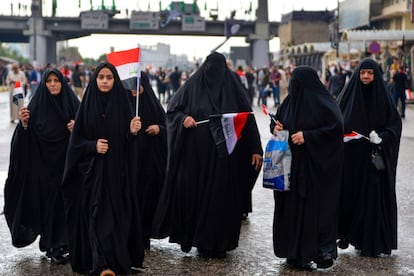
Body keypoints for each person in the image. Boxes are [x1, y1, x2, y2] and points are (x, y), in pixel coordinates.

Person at [152, 52, 263, 258]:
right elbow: (173, 112)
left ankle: (218, 243)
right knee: (194, 196)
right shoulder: (192, 87)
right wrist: (183, 119)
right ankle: (191, 236)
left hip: (227, 156)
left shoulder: (233, 90)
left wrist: (255, 148)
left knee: (222, 197)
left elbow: (247, 119)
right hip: (196, 157)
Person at [61, 62, 144, 275]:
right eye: (101, 77)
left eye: (109, 77)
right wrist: (92, 146)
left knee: (115, 218)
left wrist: (132, 131)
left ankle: (113, 262)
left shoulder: (123, 105)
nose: (105, 81)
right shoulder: (87, 106)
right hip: (92, 175)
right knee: (96, 216)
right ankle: (100, 263)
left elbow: (128, 143)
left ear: (115, 80)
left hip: (117, 174)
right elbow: (76, 143)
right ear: (95, 79)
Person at [3, 68, 80, 264]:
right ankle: (52, 245)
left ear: (63, 83)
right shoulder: (35, 108)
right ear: (44, 84)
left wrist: (76, 128)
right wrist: (25, 124)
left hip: (67, 168)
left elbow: (88, 130)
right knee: (49, 206)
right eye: (49, 81)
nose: (53, 84)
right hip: (44, 170)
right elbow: (24, 140)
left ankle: (66, 244)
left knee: (66, 206)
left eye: (56, 81)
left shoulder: (73, 106)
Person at [270, 66, 344, 270]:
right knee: (291, 211)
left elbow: (335, 129)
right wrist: (275, 127)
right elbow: (279, 121)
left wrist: (308, 137)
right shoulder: (289, 103)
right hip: (290, 167)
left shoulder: (325, 103)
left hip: (315, 171)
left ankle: (321, 252)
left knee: (315, 211)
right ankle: (293, 252)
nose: (293, 87)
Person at [336, 58, 402, 257]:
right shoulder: (347, 97)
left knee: (373, 199)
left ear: (376, 75)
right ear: (357, 74)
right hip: (352, 160)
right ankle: (348, 235)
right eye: (363, 73)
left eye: (370, 73)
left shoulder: (383, 97)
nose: (366, 76)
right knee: (351, 197)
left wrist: (382, 137)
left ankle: (371, 242)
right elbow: (336, 122)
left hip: (374, 159)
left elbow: (394, 124)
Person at [127, 71, 167, 249]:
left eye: (138, 86)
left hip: (150, 162)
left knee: (148, 198)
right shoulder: (123, 104)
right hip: (129, 162)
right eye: (131, 86)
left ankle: (144, 235)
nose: (134, 90)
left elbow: (169, 126)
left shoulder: (153, 105)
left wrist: (159, 129)